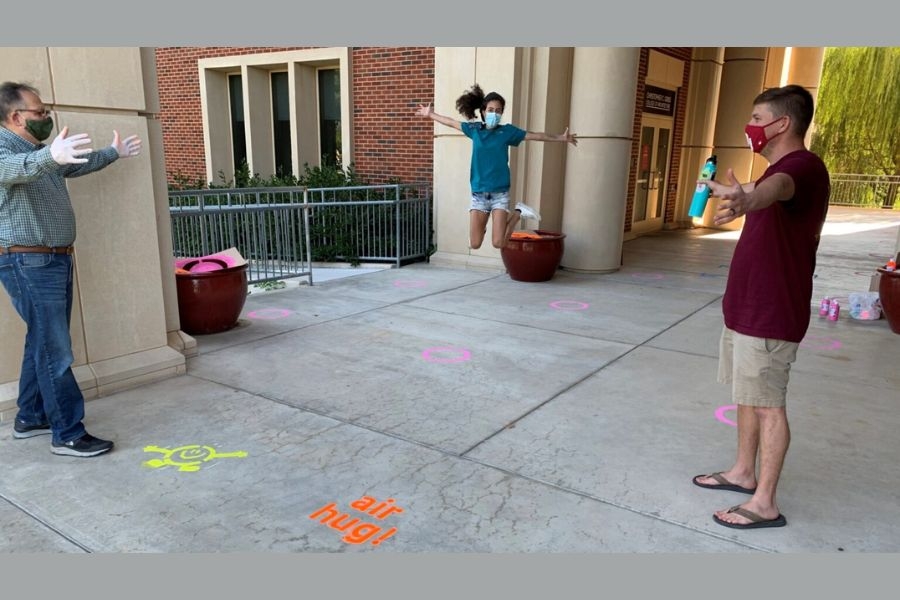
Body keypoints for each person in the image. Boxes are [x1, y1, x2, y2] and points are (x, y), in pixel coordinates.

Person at [692, 84, 831, 529]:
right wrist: (725, 191)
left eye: (756, 118)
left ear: (782, 123)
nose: (750, 126)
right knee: (748, 396)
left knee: (769, 403)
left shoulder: (801, 168)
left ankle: (765, 502)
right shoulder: (777, 170)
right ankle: (742, 472)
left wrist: (749, 200)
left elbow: (776, 189)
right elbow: (760, 187)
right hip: (749, 310)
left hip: (772, 313)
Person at [0, 81, 143, 457]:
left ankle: (30, 417)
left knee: (43, 342)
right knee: (55, 351)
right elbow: (15, 169)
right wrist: (50, 157)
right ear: (16, 117)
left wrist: (112, 152)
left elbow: (72, 166)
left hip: (51, 258)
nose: (46, 117)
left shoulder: (39, 152)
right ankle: (66, 432)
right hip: (27, 260)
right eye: (40, 112)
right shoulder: (9, 151)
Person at [415, 83, 577, 249]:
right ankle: (482, 225)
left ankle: (518, 213)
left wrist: (561, 138)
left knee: (498, 243)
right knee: (475, 244)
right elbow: (451, 122)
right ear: (483, 112)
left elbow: (535, 136)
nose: (494, 113)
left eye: (498, 111)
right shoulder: (475, 129)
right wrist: (431, 114)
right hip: (479, 194)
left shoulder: (507, 132)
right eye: (491, 110)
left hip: (500, 193)